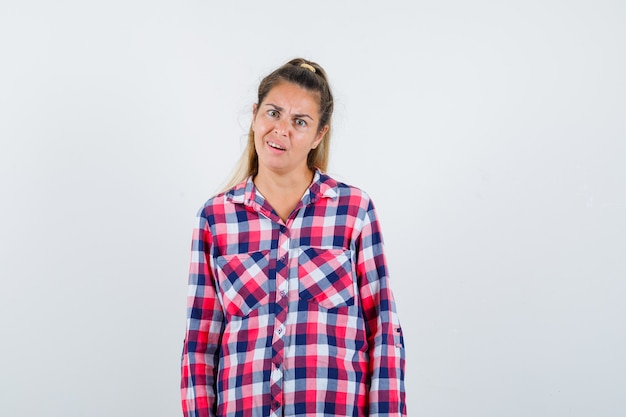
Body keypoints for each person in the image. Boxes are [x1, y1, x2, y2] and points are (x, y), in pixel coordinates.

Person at [181, 58, 406, 417]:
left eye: (300, 122)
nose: (281, 130)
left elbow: (383, 333)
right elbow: (200, 345)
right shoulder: (215, 218)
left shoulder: (353, 210)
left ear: (319, 135)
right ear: (255, 115)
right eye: (273, 113)